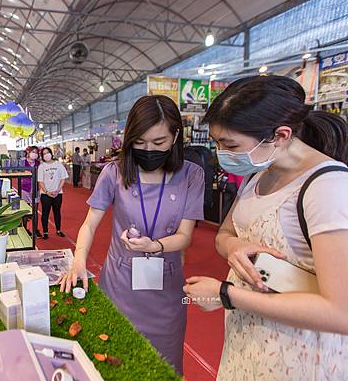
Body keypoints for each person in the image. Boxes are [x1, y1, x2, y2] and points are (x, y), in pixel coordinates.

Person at [183, 75, 348, 380]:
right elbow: (224, 234)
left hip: (301, 355)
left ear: (280, 135)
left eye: (230, 145)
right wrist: (234, 247)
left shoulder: (328, 188)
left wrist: (226, 295)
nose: (221, 154)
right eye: (218, 143)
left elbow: (341, 312)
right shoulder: (258, 173)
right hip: (251, 341)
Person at [59, 95, 205, 375]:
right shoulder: (114, 172)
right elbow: (90, 224)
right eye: (139, 142)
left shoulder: (191, 175)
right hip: (120, 283)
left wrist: (156, 245)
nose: (148, 150)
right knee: (113, 360)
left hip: (167, 288)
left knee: (164, 367)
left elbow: (185, 236)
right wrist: (78, 261)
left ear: (175, 136)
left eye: (158, 142)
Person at [38, 147, 69, 239]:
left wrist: (58, 189)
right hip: (45, 194)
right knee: (45, 213)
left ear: (51, 153)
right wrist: (47, 192)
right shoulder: (42, 166)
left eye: (47, 153)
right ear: (42, 156)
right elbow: (40, 181)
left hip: (57, 193)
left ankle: (58, 230)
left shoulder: (59, 165)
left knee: (57, 212)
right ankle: (45, 232)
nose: (46, 155)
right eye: (44, 154)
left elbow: (63, 178)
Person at [21, 146, 41, 237]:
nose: (34, 154)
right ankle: (24, 229)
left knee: (35, 210)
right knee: (25, 210)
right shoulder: (22, 162)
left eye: (36, 152)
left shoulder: (38, 163)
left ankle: (35, 229)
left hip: (35, 188)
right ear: (28, 152)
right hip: (25, 188)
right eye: (33, 152)